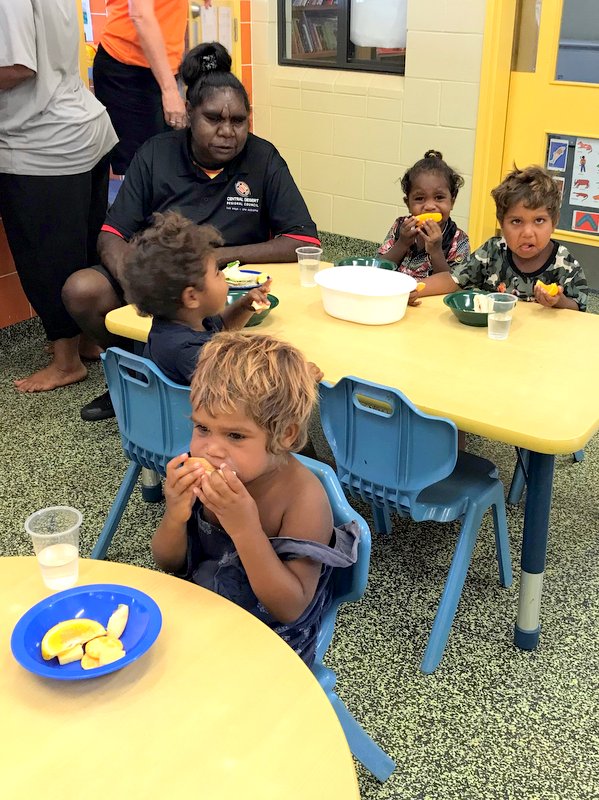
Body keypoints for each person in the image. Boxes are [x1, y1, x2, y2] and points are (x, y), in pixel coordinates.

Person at [63, 41, 320, 420]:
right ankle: (135, 375)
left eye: (238, 121)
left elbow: (304, 240)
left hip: (229, 280)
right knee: (81, 289)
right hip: (163, 279)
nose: (228, 132)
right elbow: (111, 235)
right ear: (188, 114)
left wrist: (217, 258)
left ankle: (242, 389)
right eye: (214, 119)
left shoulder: (263, 157)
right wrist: (143, 287)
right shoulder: (155, 153)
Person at [151, 332, 359, 666]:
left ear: (285, 435)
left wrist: (245, 529)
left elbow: (290, 607)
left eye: (235, 435)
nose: (210, 449)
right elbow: (169, 562)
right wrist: (175, 513)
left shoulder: (303, 499)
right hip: (203, 609)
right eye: (202, 428)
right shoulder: (207, 477)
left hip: (271, 640)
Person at [0, 0, 117, 392]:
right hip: (85, 128)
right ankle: (88, 339)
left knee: (46, 258)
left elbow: (16, 67)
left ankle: (65, 362)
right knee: (83, 249)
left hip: (41, 142)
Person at [122, 210, 271, 384]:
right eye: (217, 272)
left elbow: (223, 326)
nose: (223, 276)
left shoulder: (183, 322)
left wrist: (245, 306)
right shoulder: (189, 352)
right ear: (192, 297)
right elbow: (244, 385)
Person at [419, 165, 589, 311]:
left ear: (554, 222)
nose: (528, 233)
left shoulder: (565, 263)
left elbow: (578, 308)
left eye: (539, 220)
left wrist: (558, 301)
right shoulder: (492, 251)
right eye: (516, 221)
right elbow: (453, 279)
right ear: (501, 223)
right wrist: (411, 289)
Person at [92, 0, 189, 175]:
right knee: (144, 170)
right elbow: (140, 16)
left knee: (163, 165)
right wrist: (170, 90)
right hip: (128, 69)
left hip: (162, 68)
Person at [377, 150, 470, 284]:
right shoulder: (400, 227)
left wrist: (436, 251)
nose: (430, 206)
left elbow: (453, 284)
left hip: (431, 300)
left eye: (439, 198)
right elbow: (378, 269)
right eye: (420, 198)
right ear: (408, 204)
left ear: (452, 202)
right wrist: (402, 243)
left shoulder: (459, 240)